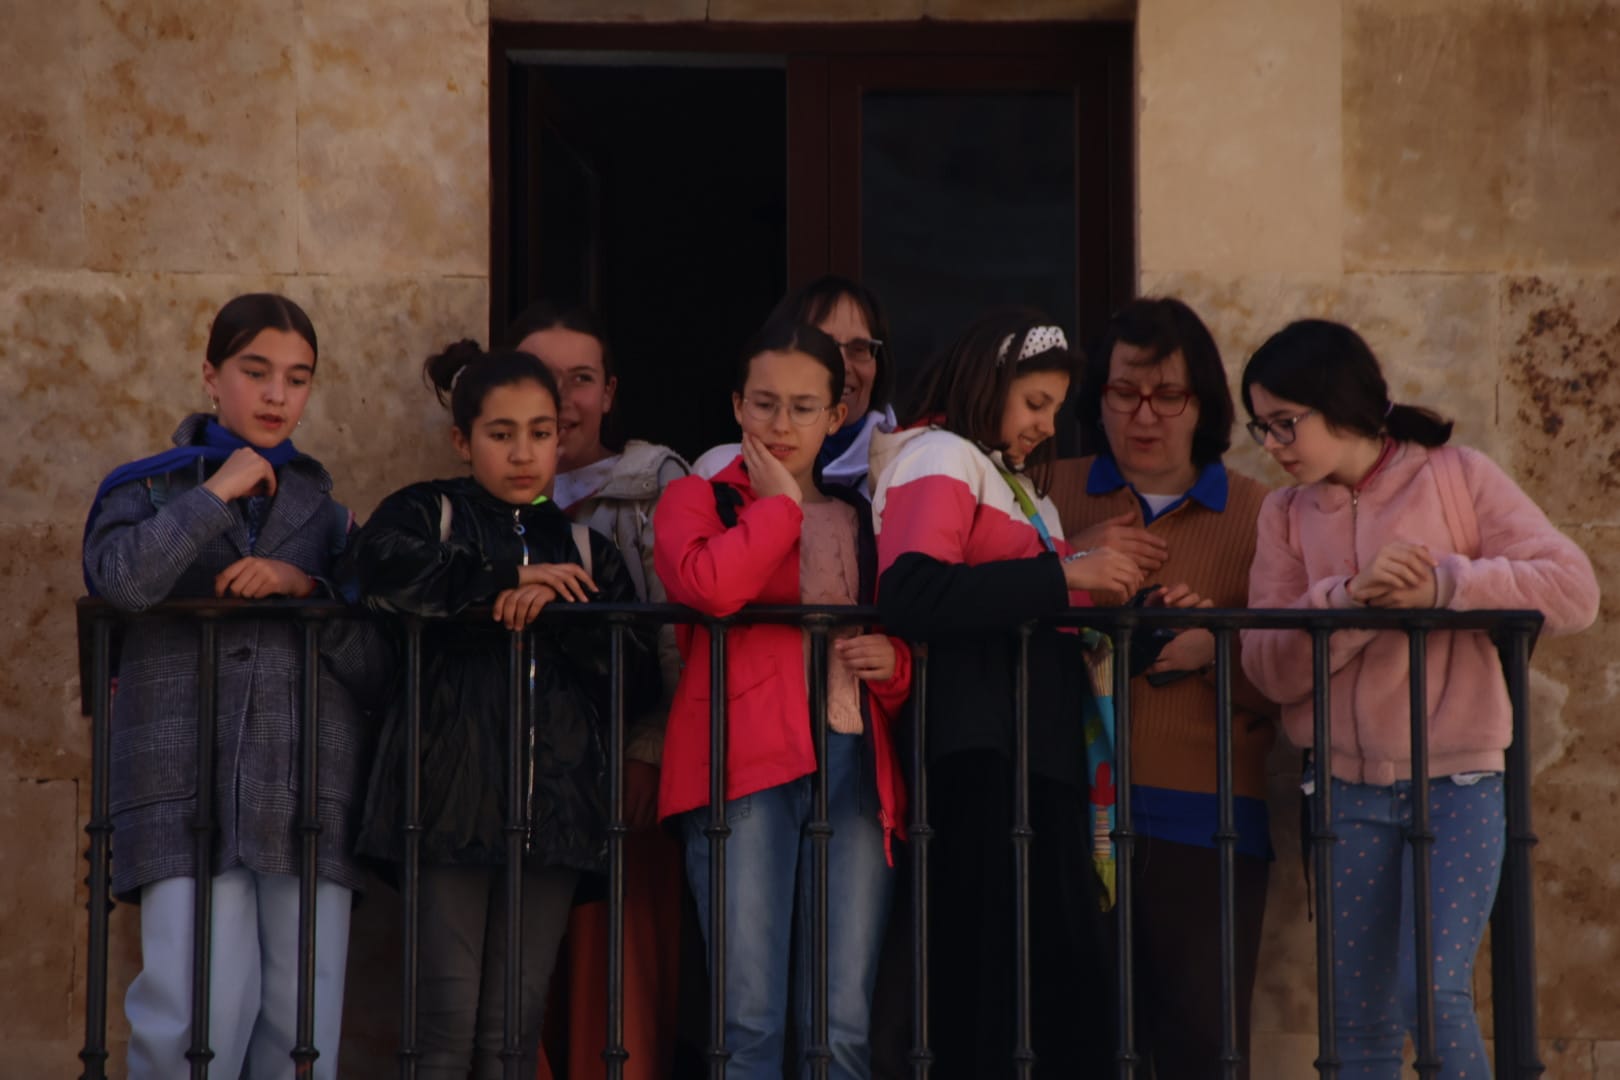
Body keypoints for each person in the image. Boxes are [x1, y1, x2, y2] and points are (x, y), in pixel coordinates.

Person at [1239, 319, 1599, 1079]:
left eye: (1284, 423)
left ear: (1338, 403)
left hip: (1460, 782)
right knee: (1357, 1023)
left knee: (1430, 994)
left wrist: (1444, 585)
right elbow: (1268, 667)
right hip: (1339, 791)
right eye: (1261, 427)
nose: (1272, 445)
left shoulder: (1457, 476)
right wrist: (1351, 604)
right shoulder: (1283, 515)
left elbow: (1572, 589)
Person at [82, 292, 378, 1080]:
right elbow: (119, 580)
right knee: (188, 1015)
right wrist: (216, 495)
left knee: (300, 1029)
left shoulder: (332, 518)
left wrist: (303, 586)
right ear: (211, 377)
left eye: (298, 378)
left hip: (307, 792)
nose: (278, 395)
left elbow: (378, 659)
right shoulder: (146, 490)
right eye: (257, 372)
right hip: (183, 787)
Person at [351, 341, 653, 1080]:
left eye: (541, 432)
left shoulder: (589, 547)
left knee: (514, 1032)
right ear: (463, 440)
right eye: (501, 433)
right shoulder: (429, 513)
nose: (524, 453)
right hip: (445, 801)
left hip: (553, 812)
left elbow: (636, 677)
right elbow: (375, 568)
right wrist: (505, 580)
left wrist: (558, 608)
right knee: (446, 1025)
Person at [869, 310, 1145, 1077]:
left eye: (1054, 408)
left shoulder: (1019, 486)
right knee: (989, 977)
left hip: (1037, 752)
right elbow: (912, 592)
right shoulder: (939, 457)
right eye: (1034, 403)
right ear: (987, 384)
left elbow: (1034, 599)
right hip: (979, 750)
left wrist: (1135, 608)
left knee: (1049, 981)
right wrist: (1068, 571)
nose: (1044, 424)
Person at [654, 314, 911, 1078]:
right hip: (741, 768)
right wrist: (777, 510)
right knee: (750, 1023)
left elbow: (908, 648)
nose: (781, 423)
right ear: (737, 405)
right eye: (764, 403)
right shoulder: (698, 499)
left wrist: (893, 664)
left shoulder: (866, 514)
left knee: (842, 1026)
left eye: (804, 407)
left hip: (856, 766)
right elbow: (710, 587)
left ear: (838, 415)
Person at [1048, 297, 1276, 1078]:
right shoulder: (1050, 489)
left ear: (1202, 402)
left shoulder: (1260, 511)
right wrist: (1067, 560)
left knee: (1200, 1045)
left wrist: (1215, 646)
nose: (1144, 416)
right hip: (1067, 812)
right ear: (1098, 398)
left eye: (1167, 395)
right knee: (1073, 1046)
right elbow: (991, 608)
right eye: (1123, 393)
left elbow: (1309, 666)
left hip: (1206, 815)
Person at [505, 301, 688, 1080]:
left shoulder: (650, 488)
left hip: (620, 781)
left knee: (615, 1007)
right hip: (514, 787)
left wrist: (650, 753)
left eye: (580, 379)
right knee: (514, 1007)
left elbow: (677, 645)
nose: (563, 397)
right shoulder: (478, 501)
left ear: (609, 393)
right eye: (543, 378)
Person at [693, 276, 895, 492]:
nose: (842, 365)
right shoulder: (716, 472)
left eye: (859, 348)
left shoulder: (902, 471)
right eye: (823, 346)